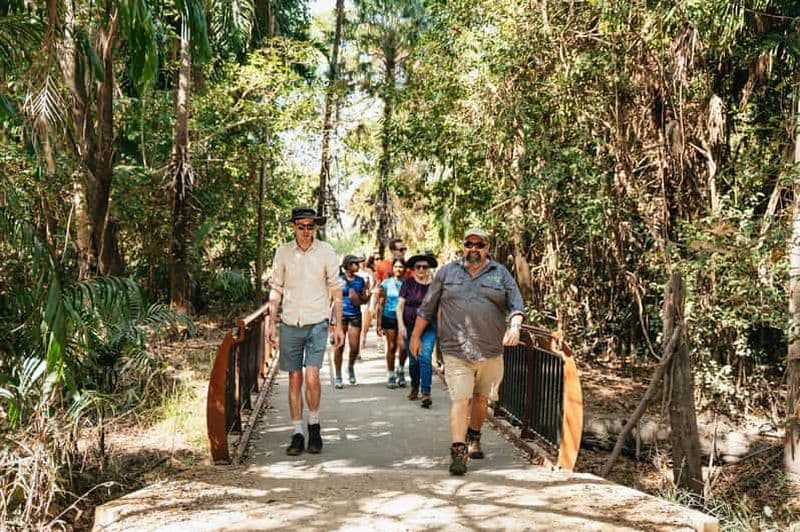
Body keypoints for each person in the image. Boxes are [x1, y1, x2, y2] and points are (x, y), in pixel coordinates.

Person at [410, 228, 525, 476]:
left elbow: (516, 305)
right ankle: (458, 451)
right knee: (460, 399)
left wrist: (515, 326)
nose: (473, 248)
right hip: (455, 350)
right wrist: (415, 335)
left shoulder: (500, 273)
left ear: (487, 247)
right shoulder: (447, 272)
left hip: (491, 350)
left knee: (482, 399)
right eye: (469, 244)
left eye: (479, 244)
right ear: (464, 246)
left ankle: (474, 435)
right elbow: (427, 307)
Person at [268, 206, 344, 456]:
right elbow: (276, 288)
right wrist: (271, 322)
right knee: (294, 378)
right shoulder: (283, 253)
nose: (306, 231)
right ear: (293, 227)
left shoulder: (326, 251)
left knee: (312, 376)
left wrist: (338, 325)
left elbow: (336, 289)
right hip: (290, 322)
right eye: (301, 226)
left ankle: (314, 425)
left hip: (317, 322)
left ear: (315, 228)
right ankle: (297, 432)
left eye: (310, 227)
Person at [397, 252, 438, 407]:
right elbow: (399, 306)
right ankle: (415, 386)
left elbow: (440, 306)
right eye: (418, 266)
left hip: (429, 327)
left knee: (425, 357)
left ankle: (426, 393)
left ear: (428, 268)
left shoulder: (434, 285)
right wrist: (401, 325)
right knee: (414, 360)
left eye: (424, 267)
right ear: (413, 268)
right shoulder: (408, 283)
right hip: (409, 327)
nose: (421, 269)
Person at [334, 255, 369, 388]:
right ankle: (338, 375)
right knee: (339, 346)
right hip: (340, 315)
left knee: (354, 347)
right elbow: (331, 299)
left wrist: (367, 294)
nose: (358, 266)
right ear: (348, 266)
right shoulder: (338, 280)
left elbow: (363, 300)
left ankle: (350, 367)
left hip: (355, 314)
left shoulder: (360, 281)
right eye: (355, 263)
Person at [377, 257, 407, 388]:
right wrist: (379, 323)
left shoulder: (408, 283)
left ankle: (400, 369)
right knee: (391, 346)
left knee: (403, 346)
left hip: (404, 318)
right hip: (389, 317)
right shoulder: (386, 283)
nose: (398, 269)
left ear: (405, 269)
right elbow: (381, 303)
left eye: (401, 267)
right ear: (392, 268)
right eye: (396, 267)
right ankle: (390, 374)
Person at [359, 252, 380, 350]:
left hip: (368, 300)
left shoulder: (369, 272)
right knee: (359, 324)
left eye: (363, 260)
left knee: (365, 324)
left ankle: (363, 338)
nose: (361, 262)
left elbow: (376, 284)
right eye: (359, 260)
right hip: (358, 302)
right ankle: (358, 347)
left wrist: (373, 300)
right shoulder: (354, 272)